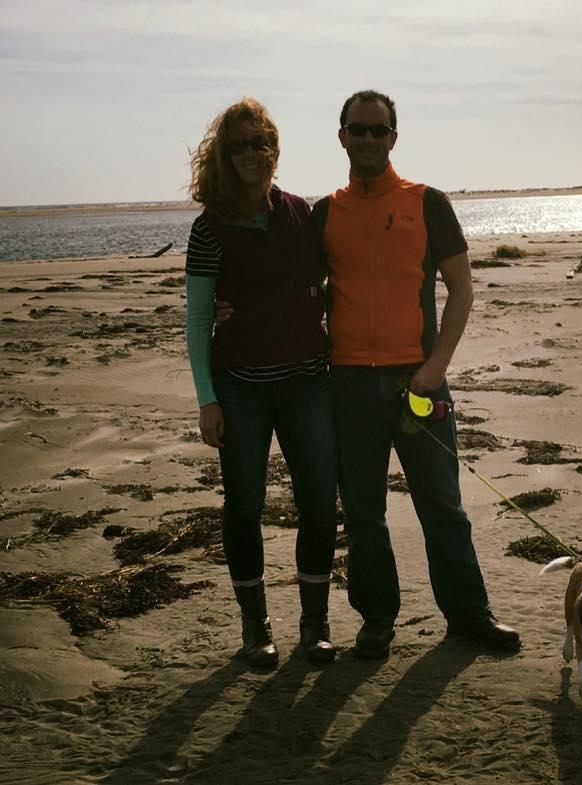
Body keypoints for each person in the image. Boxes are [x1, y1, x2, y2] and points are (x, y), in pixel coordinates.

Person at [311, 90, 520, 658]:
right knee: (363, 512)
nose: (369, 139)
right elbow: (300, 292)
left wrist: (433, 370)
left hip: (418, 381)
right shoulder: (326, 213)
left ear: (394, 138)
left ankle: (469, 614)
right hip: (349, 383)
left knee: (442, 504)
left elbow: (462, 290)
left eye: (380, 131)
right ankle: (377, 619)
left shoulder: (428, 203)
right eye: (359, 129)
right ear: (343, 137)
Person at [185, 97, 338, 667]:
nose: (253, 153)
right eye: (241, 145)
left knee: (321, 503)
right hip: (241, 390)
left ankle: (315, 626)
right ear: (224, 155)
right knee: (244, 506)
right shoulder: (209, 230)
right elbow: (199, 319)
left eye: (262, 142)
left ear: (275, 149)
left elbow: (331, 279)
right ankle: (256, 629)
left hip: (308, 383)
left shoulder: (304, 214)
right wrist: (207, 400)